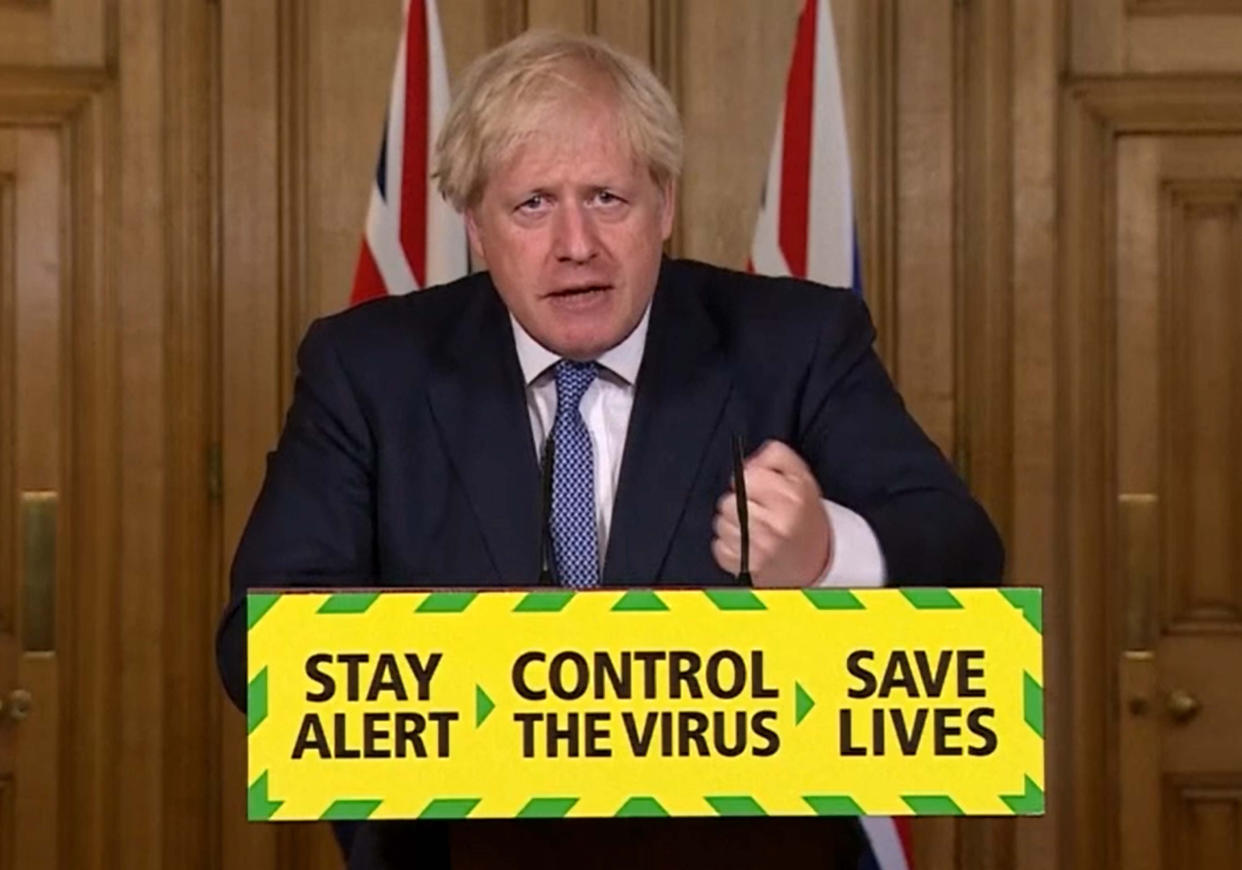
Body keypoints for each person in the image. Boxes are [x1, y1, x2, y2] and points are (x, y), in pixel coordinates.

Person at [216, 29, 1003, 870]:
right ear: (476, 226)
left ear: (664, 205)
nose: (576, 244)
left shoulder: (795, 342)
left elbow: (963, 550)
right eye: (531, 205)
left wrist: (826, 552)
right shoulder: (369, 369)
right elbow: (259, 641)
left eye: (607, 198)